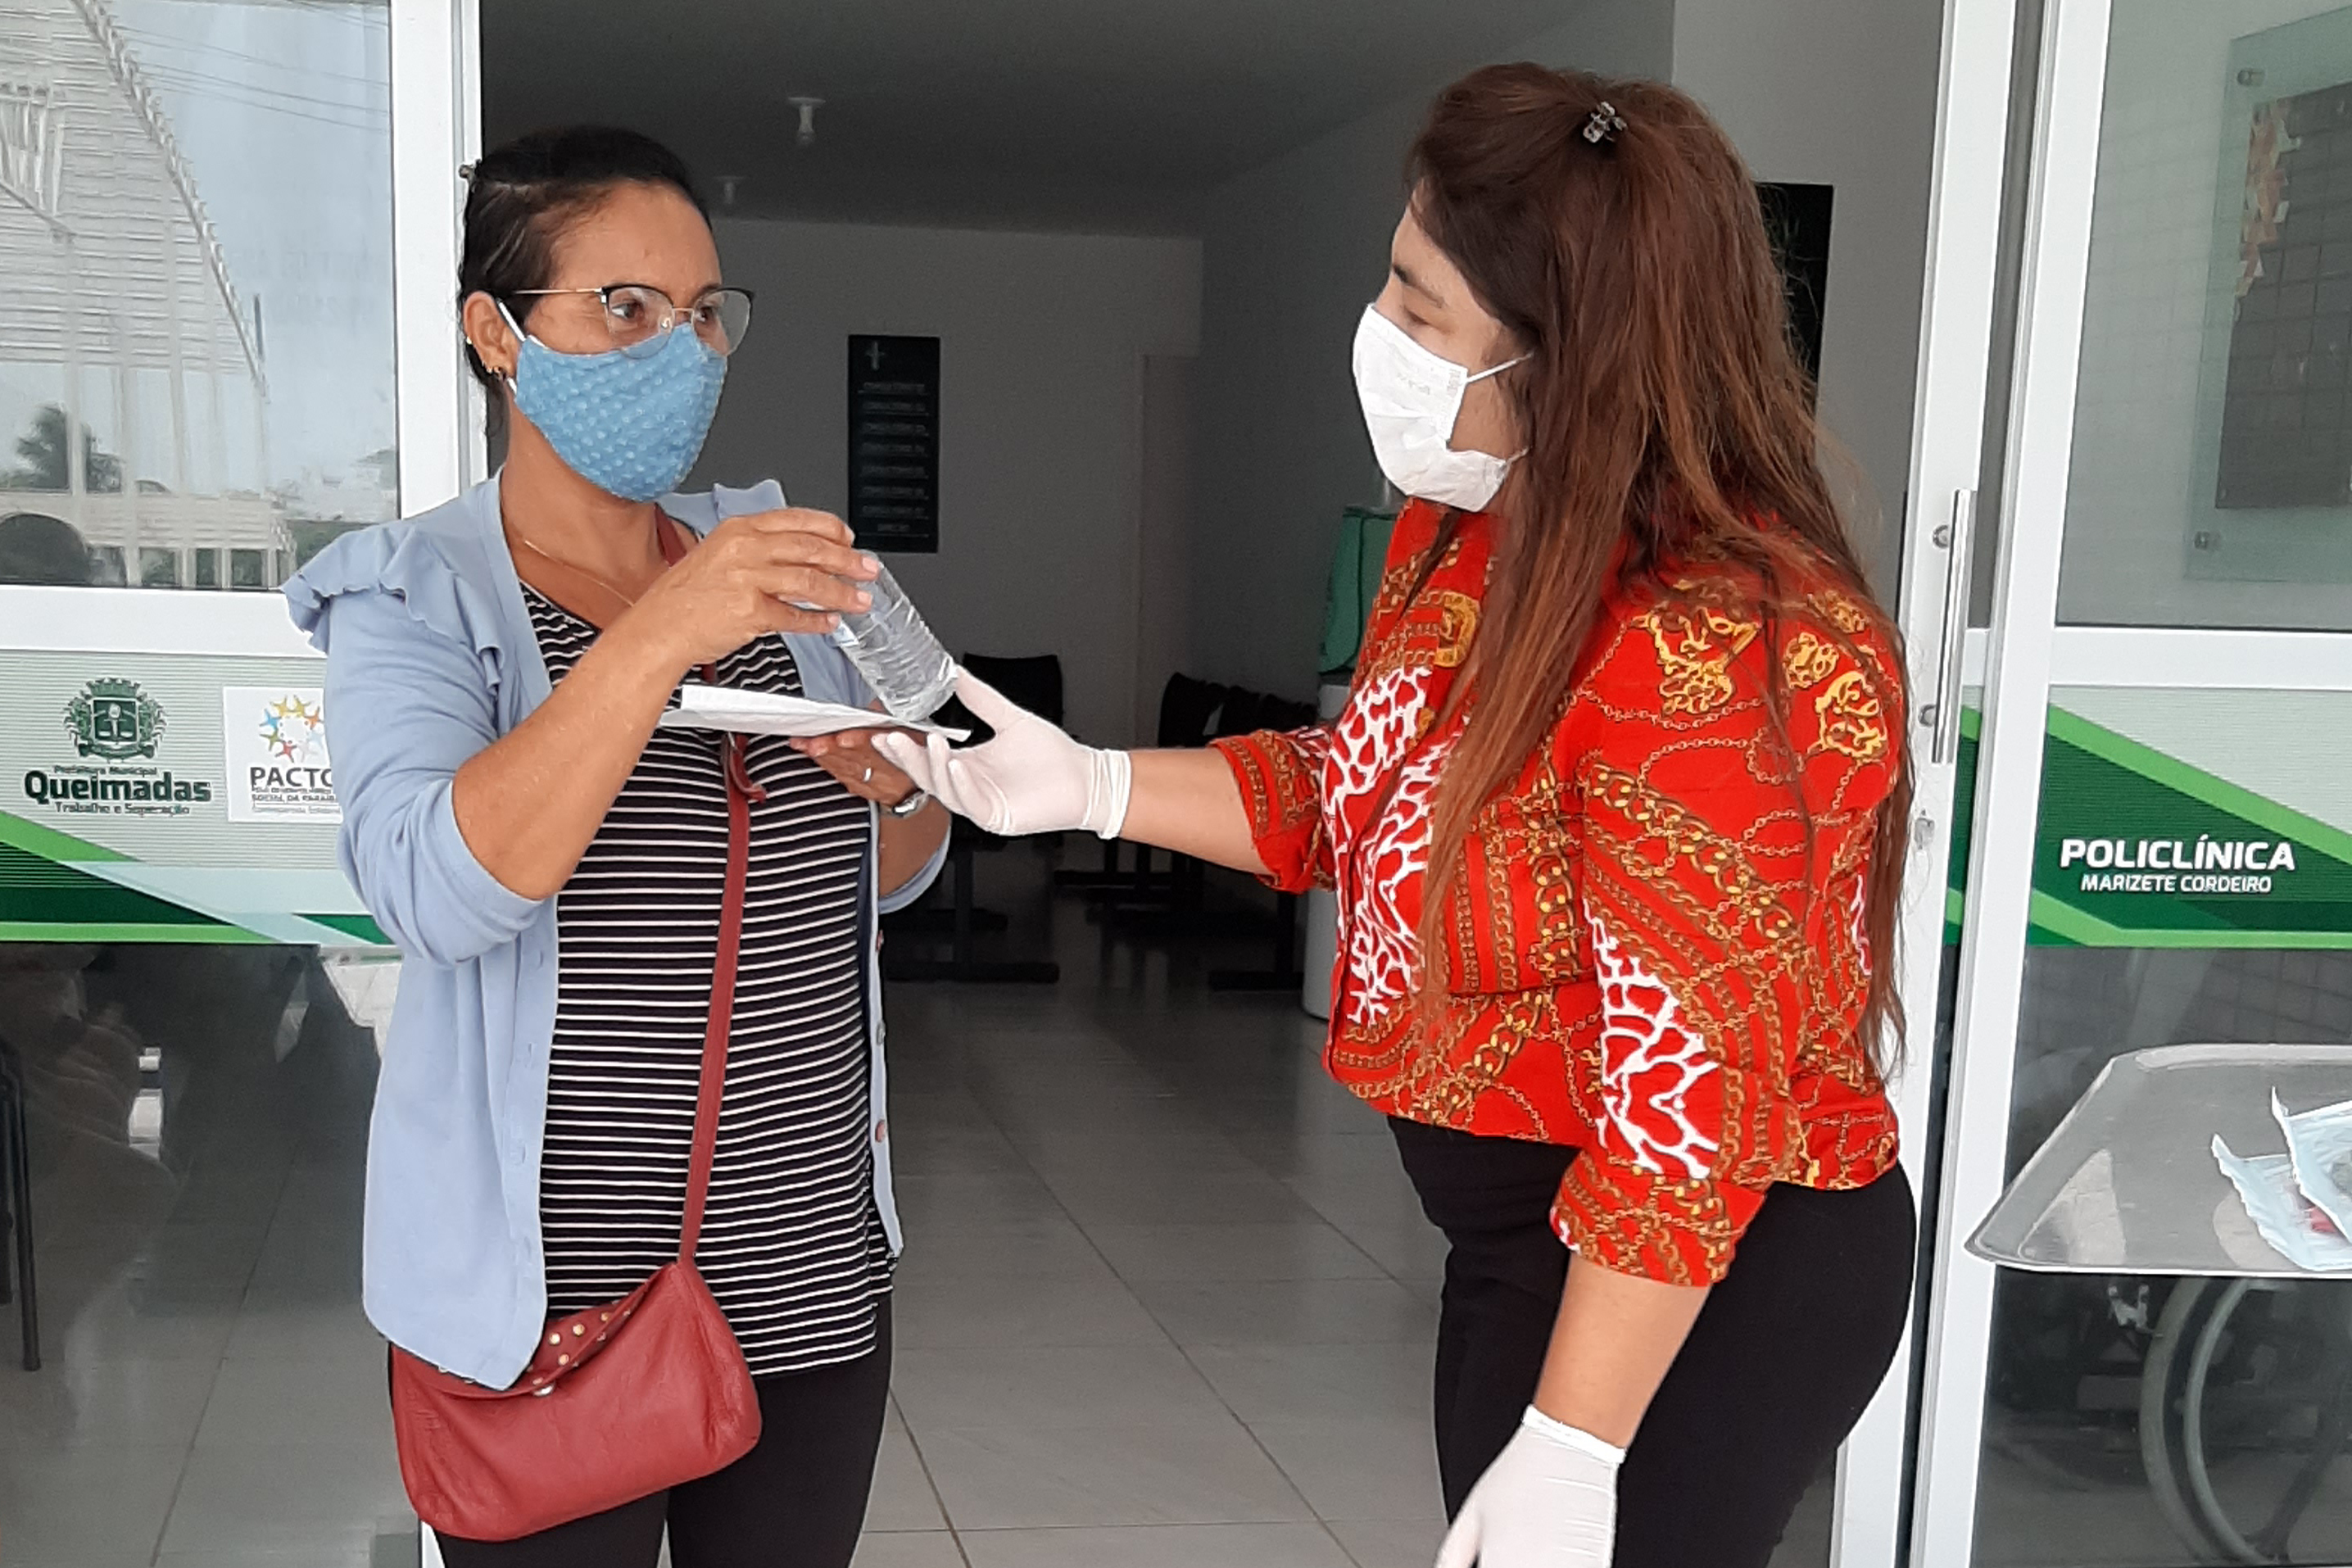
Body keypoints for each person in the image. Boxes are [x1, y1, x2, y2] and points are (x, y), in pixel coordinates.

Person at [872, 66, 1916, 1568]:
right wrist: (1090, 783)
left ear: (1572, 346)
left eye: (1418, 304)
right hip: (1529, 1240)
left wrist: (1575, 1443)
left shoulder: (1724, 642)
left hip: (1705, 1264)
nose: (1377, 327)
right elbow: (1362, 791)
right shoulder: (1479, 531)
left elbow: (1690, 1095)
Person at [283, 126, 948, 1568]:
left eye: (704, 312)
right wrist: (657, 633)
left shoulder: (781, 562)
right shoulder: (412, 594)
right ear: (497, 334)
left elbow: (899, 859)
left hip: (805, 1279)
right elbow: (435, 891)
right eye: (627, 307)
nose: (683, 351)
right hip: (545, 1314)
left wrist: (901, 796)